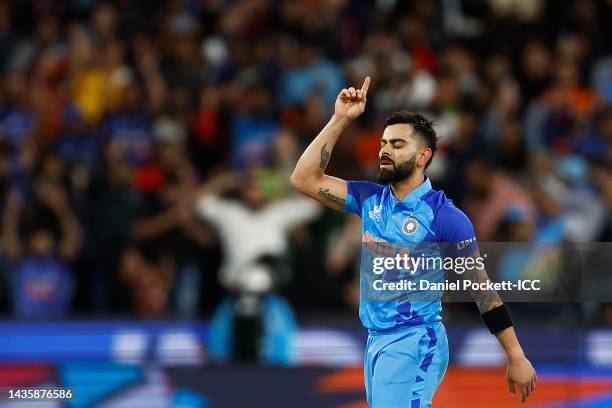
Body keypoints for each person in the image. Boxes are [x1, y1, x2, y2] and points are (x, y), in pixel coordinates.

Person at [290, 76, 537, 407]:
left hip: (415, 340)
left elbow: (482, 291)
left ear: (423, 156)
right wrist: (340, 119)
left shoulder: (445, 218)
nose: (384, 151)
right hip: (377, 341)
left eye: (397, 145)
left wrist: (515, 355)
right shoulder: (370, 200)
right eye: (383, 143)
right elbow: (303, 179)